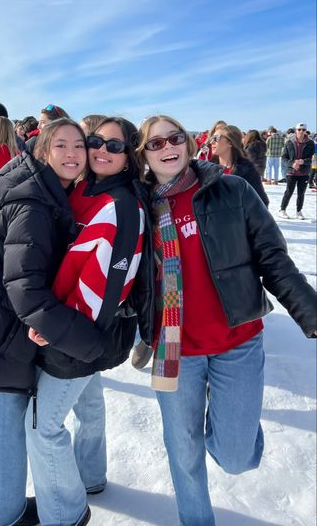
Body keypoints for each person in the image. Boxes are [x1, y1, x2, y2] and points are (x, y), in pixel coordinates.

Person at [135, 113, 316, 526]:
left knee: (236, 457)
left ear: (189, 142)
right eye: (155, 143)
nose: (167, 148)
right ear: (144, 155)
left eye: (173, 138)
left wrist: (309, 310)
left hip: (237, 340)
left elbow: (273, 257)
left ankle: (231, 423)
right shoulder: (140, 205)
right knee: (184, 451)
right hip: (173, 348)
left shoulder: (230, 189)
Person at [0, 119, 106, 526]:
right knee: (4, 435)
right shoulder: (34, 204)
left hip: (2, 331)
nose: (71, 154)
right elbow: (25, 288)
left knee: (3, 423)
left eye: (78, 146)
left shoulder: (52, 192)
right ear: (43, 150)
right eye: (61, 145)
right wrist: (83, 339)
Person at [26, 117, 148, 526]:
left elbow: (104, 290)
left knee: (43, 427)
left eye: (115, 146)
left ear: (130, 156)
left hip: (82, 331)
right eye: (96, 140)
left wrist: (57, 329)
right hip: (74, 324)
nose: (101, 150)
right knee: (90, 404)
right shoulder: (84, 189)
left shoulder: (122, 207)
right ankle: (91, 475)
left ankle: (65, 514)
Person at [209, 124, 269, 206]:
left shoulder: (247, 171)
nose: (211, 142)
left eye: (216, 138)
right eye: (212, 138)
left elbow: (261, 204)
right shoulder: (209, 169)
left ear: (230, 142)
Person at [279, 123, 314, 219]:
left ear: (306, 131)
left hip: (304, 172)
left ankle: (299, 211)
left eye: (303, 130)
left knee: (301, 193)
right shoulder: (289, 142)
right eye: (299, 129)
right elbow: (283, 158)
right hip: (291, 172)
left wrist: (303, 161)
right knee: (289, 191)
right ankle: (282, 210)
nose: (301, 131)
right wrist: (292, 164)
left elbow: (311, 159)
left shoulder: (310, 143)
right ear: (295, 130)